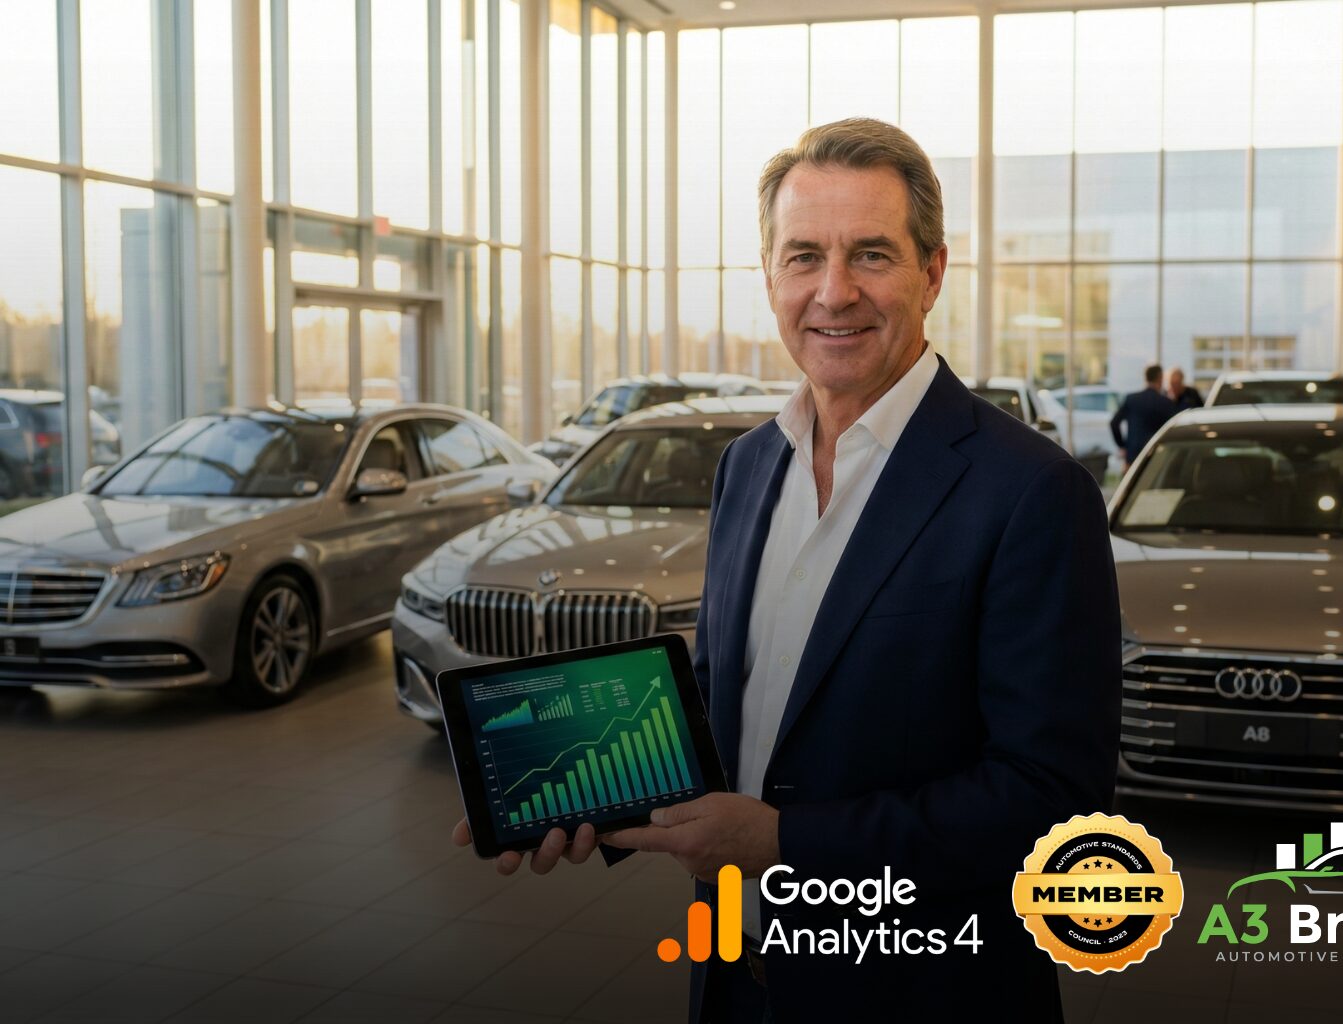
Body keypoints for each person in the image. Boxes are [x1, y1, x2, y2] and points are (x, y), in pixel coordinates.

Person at [454, 118, 1122, 1023]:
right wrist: (590, 797)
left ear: (932, 273)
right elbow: (739, 700)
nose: (833, 292)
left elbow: (1054, 804)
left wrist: (783, 842)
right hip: (738, 977)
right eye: (803, 255)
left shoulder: (1031, 492)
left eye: (871, 256)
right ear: (769, 274)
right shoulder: (748, 464)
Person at [1110, 364, 1179, 466]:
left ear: (1145, 378)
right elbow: (1175, 430)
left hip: (1133, 456)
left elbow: (1114, 423)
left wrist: (1123, 446)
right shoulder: (1165, 403)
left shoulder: (1131, 399)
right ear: (1160, 378)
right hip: (1157, 456)